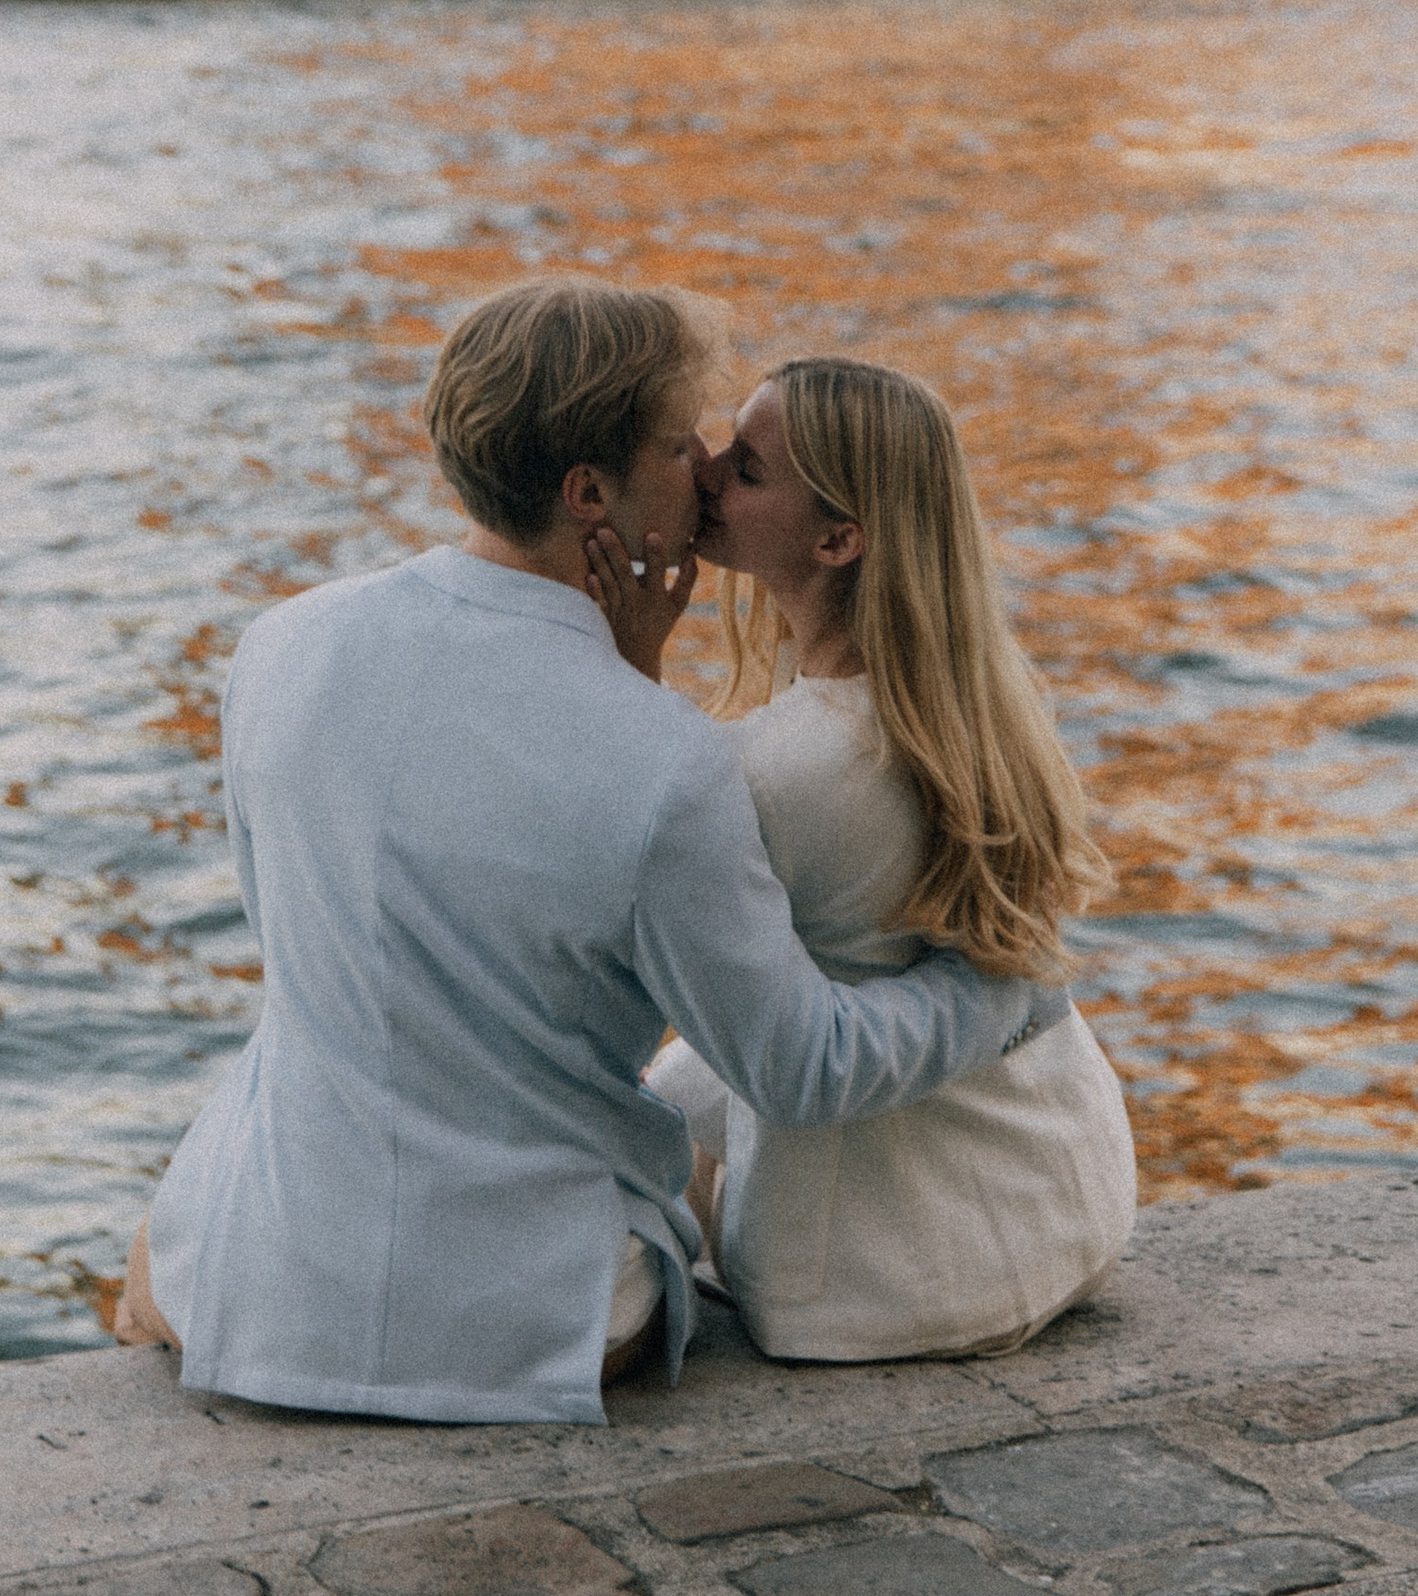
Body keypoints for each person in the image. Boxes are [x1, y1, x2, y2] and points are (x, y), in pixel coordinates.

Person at [113, 277, 1066, 1423]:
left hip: (261, 1258)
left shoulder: (279, 644)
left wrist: (619, 683)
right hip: (519, 1312)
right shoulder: (666, 762)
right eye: (679, 444)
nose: (706, 466)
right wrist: (999, 990)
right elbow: (799, 1068)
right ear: (589, 494)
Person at [589, 357, 1137, 1364]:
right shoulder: (968, 702)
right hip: (1067, 1200)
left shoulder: (778, 767)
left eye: (746, 470)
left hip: (877, 1278)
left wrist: (626, 671)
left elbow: (618, 887)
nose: (705, 472)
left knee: (605, 1170)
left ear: (838, 539)